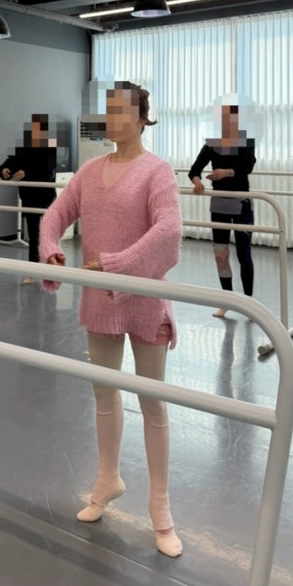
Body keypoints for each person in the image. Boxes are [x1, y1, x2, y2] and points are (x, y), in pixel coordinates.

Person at [39, 82, 183, 558]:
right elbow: (55, 213)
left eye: (124, 111)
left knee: (152, 401)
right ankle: (106, 479)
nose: (114, 119)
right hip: (100, 298)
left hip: (144, 299)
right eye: (109, 111)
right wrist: (50, 249)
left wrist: (116, 264)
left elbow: (169, 231)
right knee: (104, 394)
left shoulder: (156, 171)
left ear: (143, 118)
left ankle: (160, 507)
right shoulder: (89, 171)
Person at [188, 101, 256, 318]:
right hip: (219, 204)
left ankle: (249, 303)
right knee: (220, 253)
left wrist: (226, 172)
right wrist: (197, 181)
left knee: (244, 253)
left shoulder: (246, 139)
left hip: (241, 202)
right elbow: (194, 169)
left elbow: (248, 165)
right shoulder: (212, 143)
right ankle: (227, 300)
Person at [0, 113, 57, 284]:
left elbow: (47, 172)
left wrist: (27, 173)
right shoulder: (23, 146)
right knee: (33, 235)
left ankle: (51, 271)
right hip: (29, 196)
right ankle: (32, 271)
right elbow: (11, 162)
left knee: (47, 235)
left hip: (45, 198)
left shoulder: (50, 147)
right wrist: (3, 170)